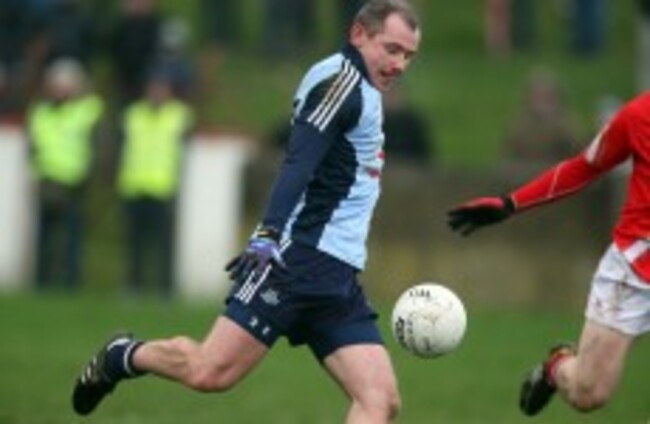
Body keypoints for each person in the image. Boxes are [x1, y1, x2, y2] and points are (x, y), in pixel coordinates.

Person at [71, 2, 421, 422]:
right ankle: (122, 356)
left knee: (380, 400)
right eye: (392, 49)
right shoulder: (340, 85)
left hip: (337, 275)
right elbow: (298, 161)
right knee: (209, 372)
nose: (399, 64)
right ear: (358, 34)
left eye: (408, 55)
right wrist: (269, 233)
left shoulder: (364, 88)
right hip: (295, 259)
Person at [447, 91, 650, 416]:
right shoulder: (640, 115)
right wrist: (511, 203)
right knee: (588, 393)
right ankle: (558, 367)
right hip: (635, 271)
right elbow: (585, 167)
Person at [28, 58, 103, 291]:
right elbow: (33, 146)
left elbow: (95, 110)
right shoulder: (40, 112)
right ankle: (43, 281)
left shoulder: (84, 110)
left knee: (72, 238)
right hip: (47, 180)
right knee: (45, 238)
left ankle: (71, 282)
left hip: (74, 182)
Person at [115, 71, 193, 298]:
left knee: (164, 244)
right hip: (135, 185)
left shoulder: (179, 114)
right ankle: (134, 285)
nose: (156, 93)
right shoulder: (133, 114)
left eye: (161, 88)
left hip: (163, 187)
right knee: (135, 243)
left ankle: (164, 288)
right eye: (153, 88)